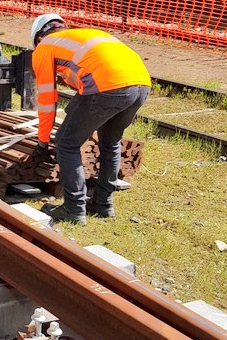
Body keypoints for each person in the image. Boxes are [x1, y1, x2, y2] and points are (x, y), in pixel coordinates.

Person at [31, 13, 152, 225]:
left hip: (107, 85)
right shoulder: (81, 37)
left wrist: (43, 141)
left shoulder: (44, 46)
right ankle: (103, 204)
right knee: (110, 141)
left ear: (38, 37)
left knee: (66, 143)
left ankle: (73, 208)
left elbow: (47, 99)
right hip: (141, 83)